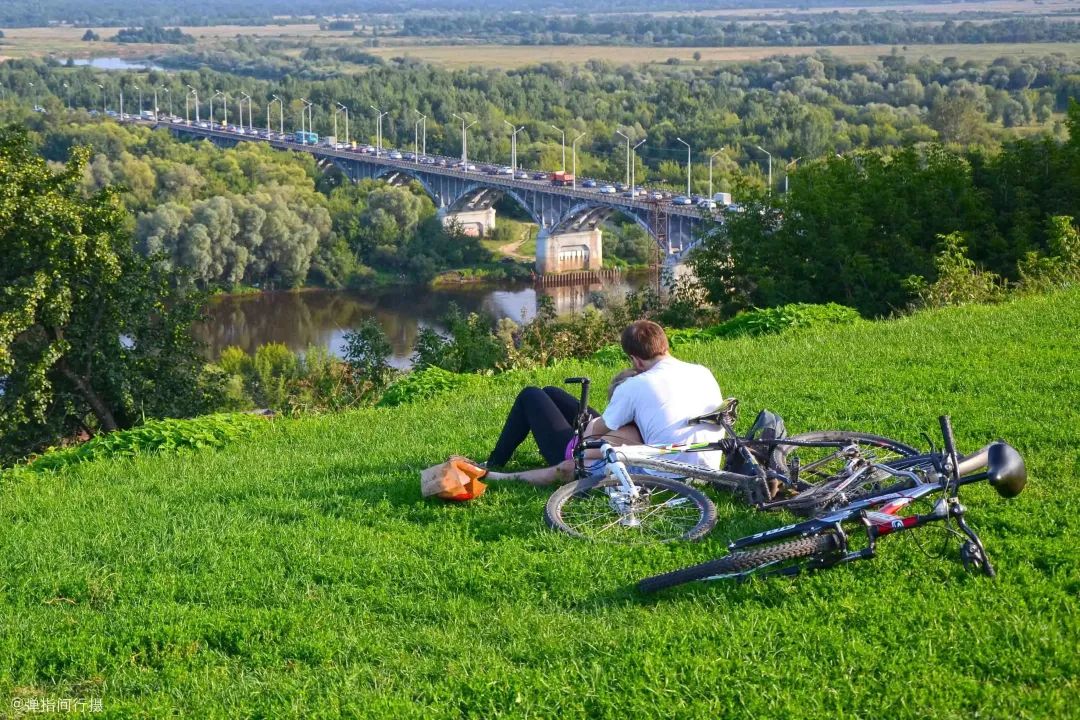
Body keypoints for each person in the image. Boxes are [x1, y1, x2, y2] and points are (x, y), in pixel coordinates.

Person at [588, 320, 726, 470]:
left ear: (636, 361)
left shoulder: (633, 385)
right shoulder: (703, 372)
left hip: (663, 474)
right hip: (709, 468)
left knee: (580, 464)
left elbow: (599, 430)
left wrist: (586, 433)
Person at [481, 369, 641, 486]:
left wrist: (589, 431)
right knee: (550, 392)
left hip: (571, 451)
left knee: (529, 395)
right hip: (598, 432)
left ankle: (494, 462)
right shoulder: (643, 419)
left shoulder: (631, 432)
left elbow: (584, 454)